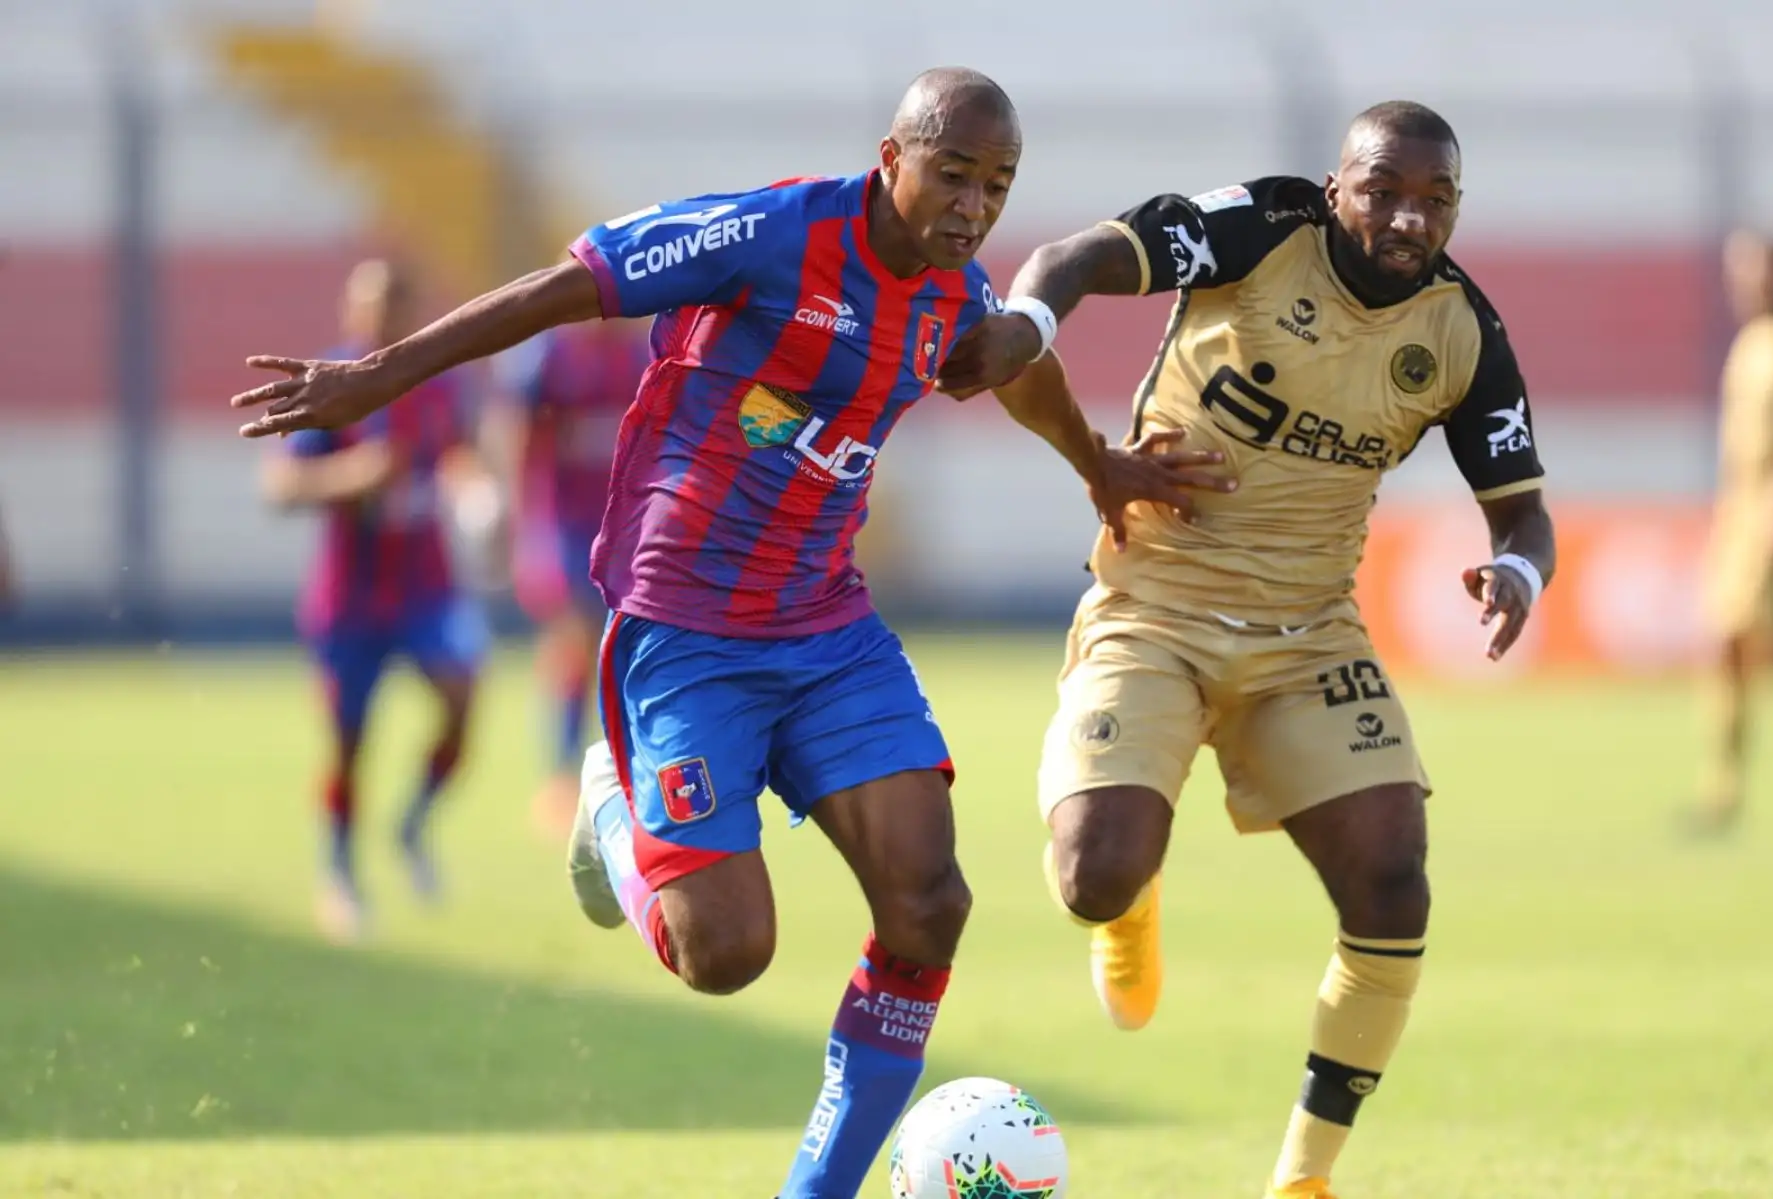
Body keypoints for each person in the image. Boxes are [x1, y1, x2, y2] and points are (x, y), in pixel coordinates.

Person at [232, 68, 1226, 1198]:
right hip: (686, 622)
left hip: (825, 622)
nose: (974, 205)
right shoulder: (769, 233)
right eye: (954, 174)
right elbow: (569, 287)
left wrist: (1104, 468)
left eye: (998, 185)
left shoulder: (952, 294)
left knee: (931, 901)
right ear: (893, 159)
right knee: (725, 954)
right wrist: (380, 372)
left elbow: (1009, 361)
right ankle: (612, 807)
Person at [940, 100, 1557, 1199]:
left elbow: (1523, 514)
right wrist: (1032, 321)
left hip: (1307, 634)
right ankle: (1132, 901)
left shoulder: (1462, 331)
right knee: (1094, 872)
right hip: (1157, 603)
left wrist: (1518, 570)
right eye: (1385, 191)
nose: (1410, 218)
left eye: (1437, 200)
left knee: (1394, 882)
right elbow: (1072, 256)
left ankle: (1303, 1178)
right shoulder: (1263, 230)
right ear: (1337, 188)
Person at [260, 258, 499, 942]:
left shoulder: (439, 382)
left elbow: (459, 454)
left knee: (462, 698)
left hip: (428, 587)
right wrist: (349, 477)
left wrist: (475, 491)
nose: (383, 318)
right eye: (371, 306)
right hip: (351, 597)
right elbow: (278, 484)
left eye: (396, 304)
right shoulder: (332, 384)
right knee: (348, 742)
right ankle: (339, 870)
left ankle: (414, 823)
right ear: (351, 312)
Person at [485, 318, 647, 833]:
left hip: (625, 524)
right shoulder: (548, 356)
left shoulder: (640, 353)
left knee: (619, 646)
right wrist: (510, 515)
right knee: (575, 637)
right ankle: (561, 774)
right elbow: (514, 427)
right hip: (561, 525)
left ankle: (625, 771)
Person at [1687, 230, 1773, 832]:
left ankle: (1723, 789)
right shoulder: (1750, 346)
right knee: (1730, 649)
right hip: (1742, 519)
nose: (1744, 285)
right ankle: (1721, 789)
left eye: (1755, 273)